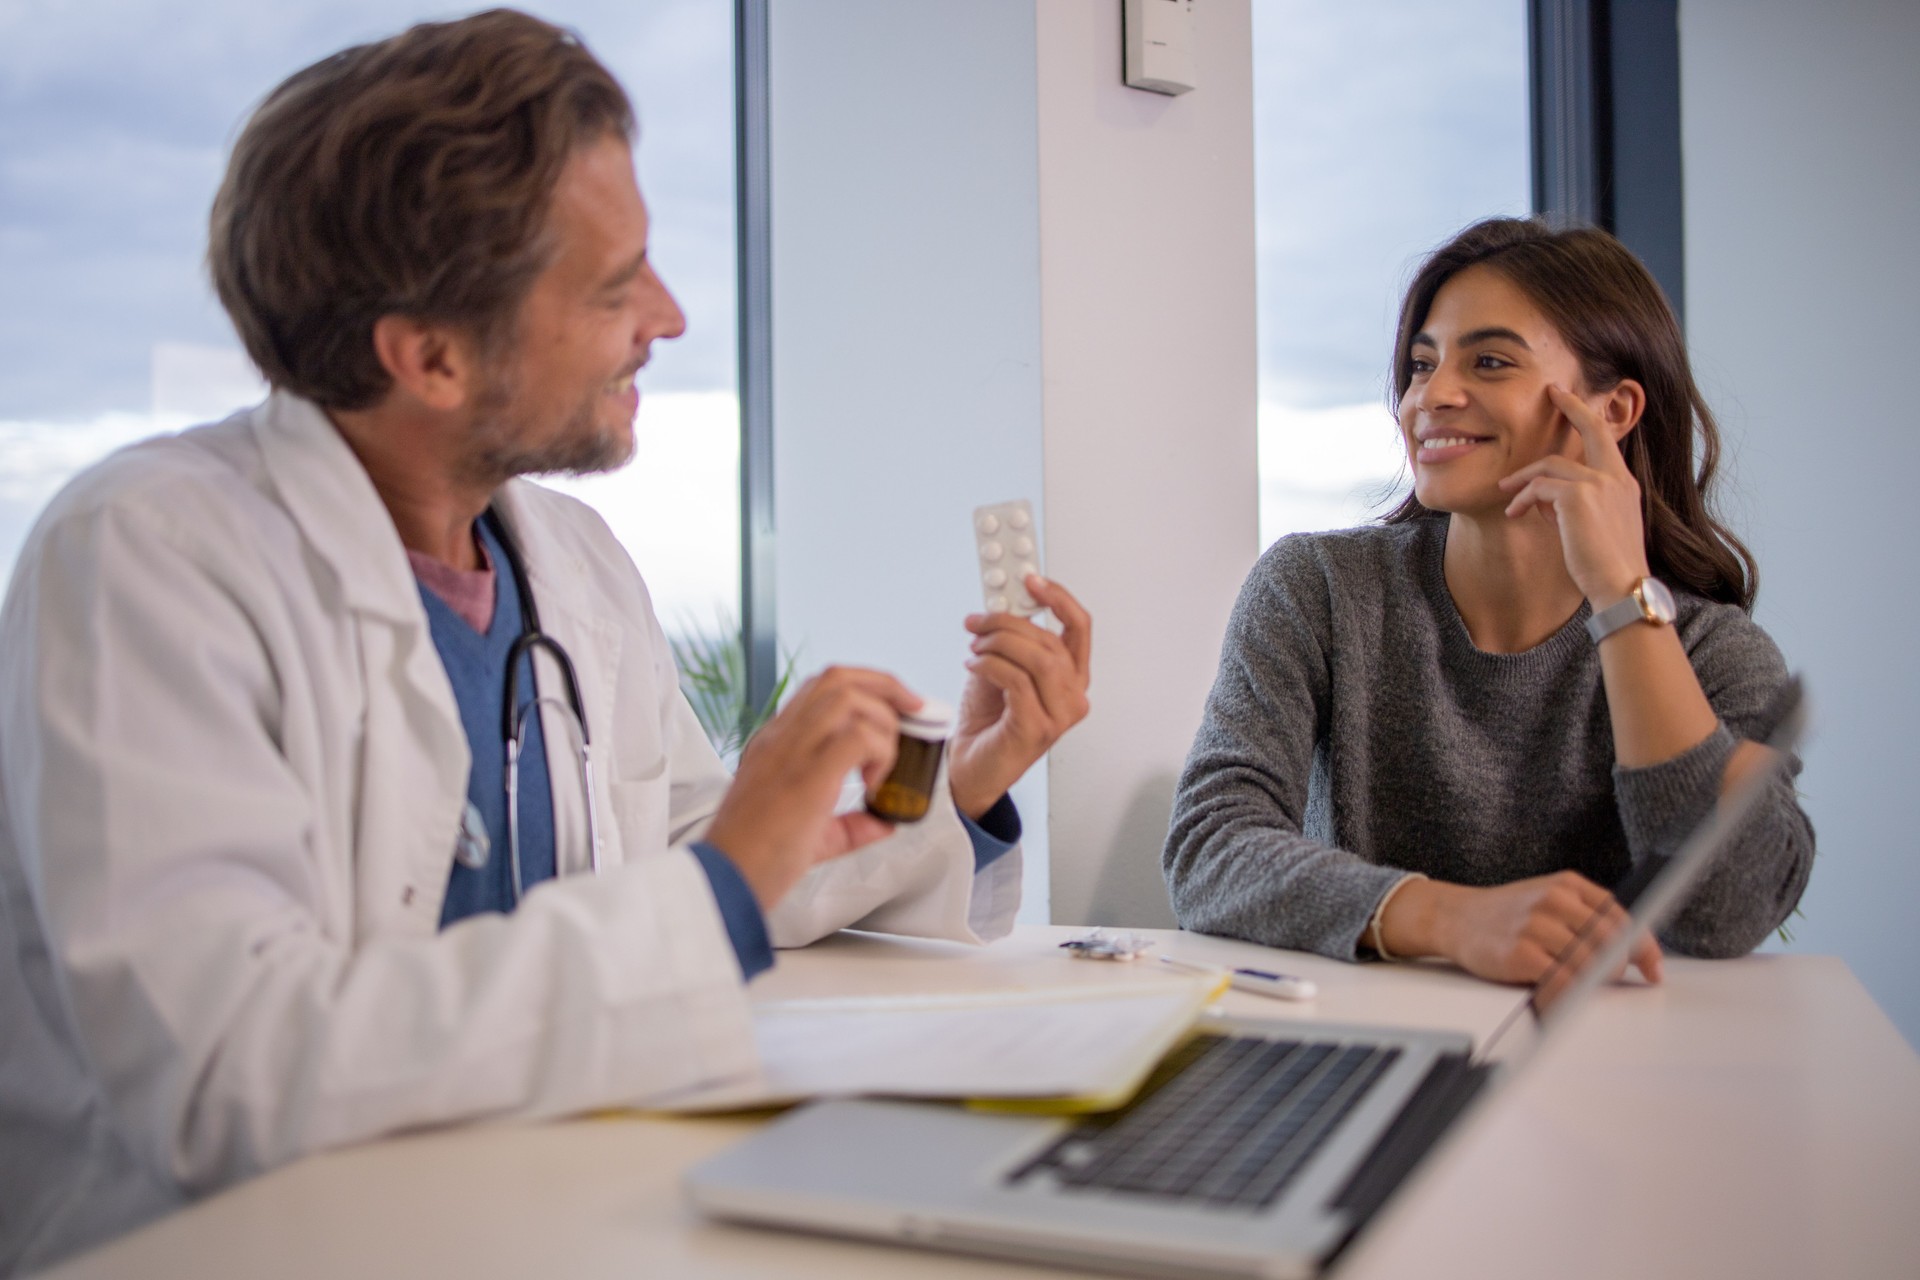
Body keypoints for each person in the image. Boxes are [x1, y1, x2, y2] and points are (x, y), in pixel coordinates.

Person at [0, 11, 1092, 1273]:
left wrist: (949, 784)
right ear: (431, 356)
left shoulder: (569, 562)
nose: (672, 316)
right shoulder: (147, 558)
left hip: (547, 1211)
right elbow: (232, 1073)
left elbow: (684, 865)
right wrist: (719, 879)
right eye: (616, 285)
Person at [1163, 217, 1811, 991]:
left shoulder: (1711, 649)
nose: (1430, 397)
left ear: (1612, 411)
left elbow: (1724, 912)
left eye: (1491, 361)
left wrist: (1622, 598)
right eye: (1420, 364)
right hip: (1368, 1050)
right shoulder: (1318, 588)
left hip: (1617, 1065)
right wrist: (1453, 919)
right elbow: (1210, 847)